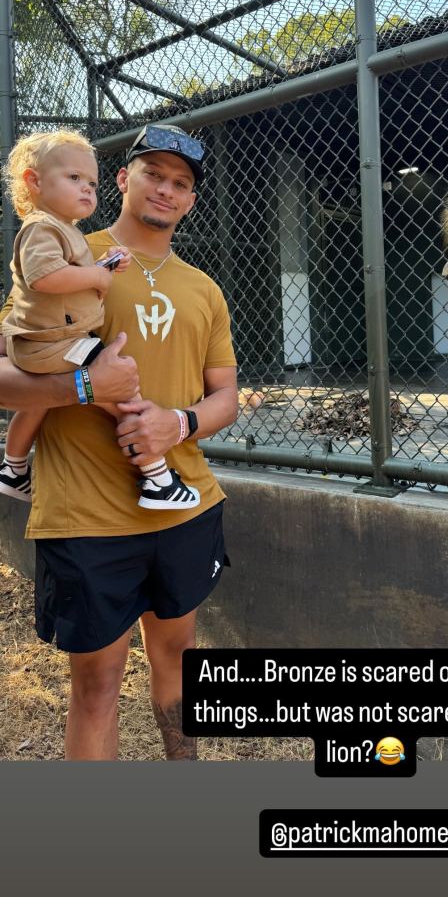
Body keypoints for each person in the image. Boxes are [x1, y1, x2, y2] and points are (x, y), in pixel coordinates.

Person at [2, 123, 238, 760]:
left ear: (191, 199)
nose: (166, 189)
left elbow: (226, 397)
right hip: (86, 515)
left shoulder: (204, 289)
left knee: (179, 658)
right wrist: (83, 385)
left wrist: (178, 424)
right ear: (123, 180)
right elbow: (6, 373)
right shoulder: (68, 255)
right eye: (153, 174)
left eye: (181, 182)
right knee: (98, 684)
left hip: (185, 505)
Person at [0, 129, 201, 511]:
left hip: (50, 339)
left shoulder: (64, 231)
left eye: (90, 181)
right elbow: (46, 278)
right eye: (74, 179)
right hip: (54, 342)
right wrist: (86, 384)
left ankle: (13, 468)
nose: (86, 189)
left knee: (39, 403)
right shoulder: (42, 228)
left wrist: (101, 266)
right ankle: (157, 476)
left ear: (190, 201)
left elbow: (67, 274)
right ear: (34, 181)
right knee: (122, 388)